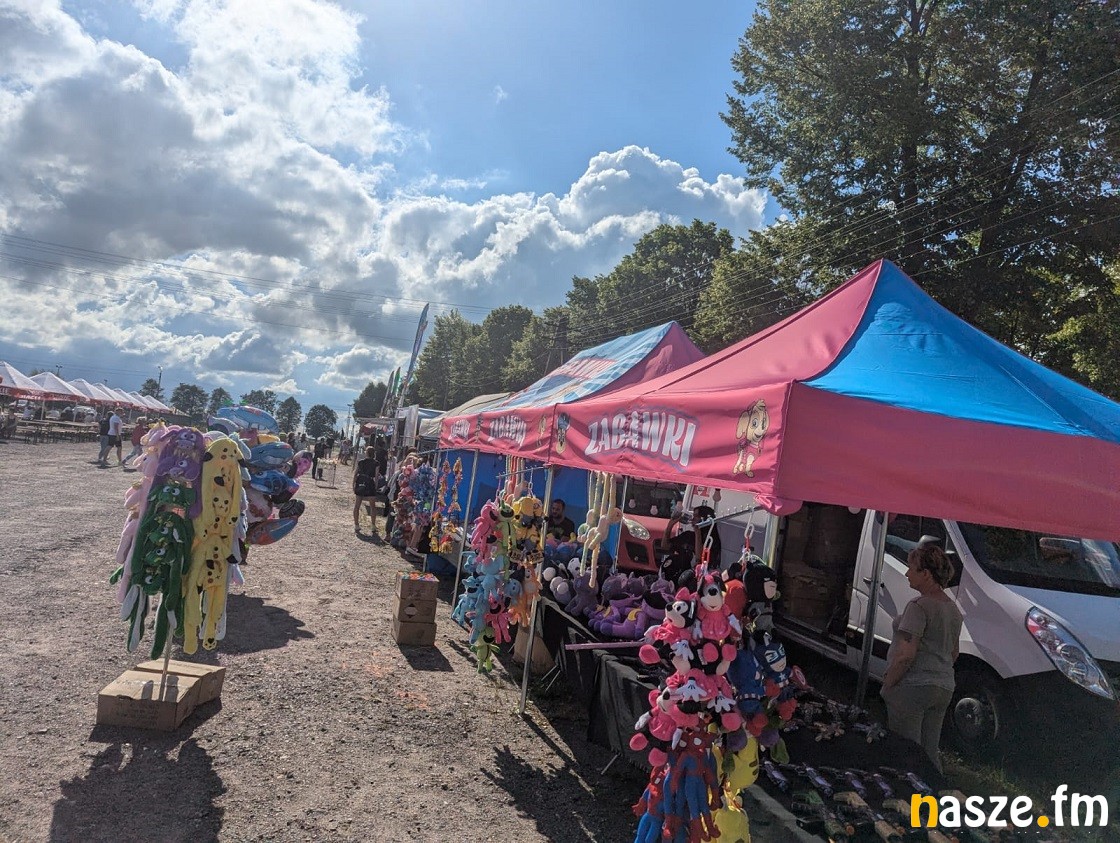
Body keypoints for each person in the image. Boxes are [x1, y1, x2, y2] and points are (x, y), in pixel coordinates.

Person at [880, 543, 963, 773]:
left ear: (926, 574)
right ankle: (935, 788)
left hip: (913, 687)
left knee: (905, 750)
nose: (907, 573)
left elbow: (906, 654)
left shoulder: (918, 606)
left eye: (911, 568)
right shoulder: (953, 610)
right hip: (943, 686)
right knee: (930, 750)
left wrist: (888, 684)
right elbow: (954, 652)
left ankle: (907, 791)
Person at [353, 446, 381, 535]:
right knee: (372, 506)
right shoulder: (376, 463)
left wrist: (353, 484)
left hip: (360, 481)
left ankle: (356, 524)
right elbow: (376, 476)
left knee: (357, 505)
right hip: (370, 483)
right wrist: (376, 486)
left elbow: (355, 473)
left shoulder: (361, 462)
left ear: (366, 452)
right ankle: (373, 525)